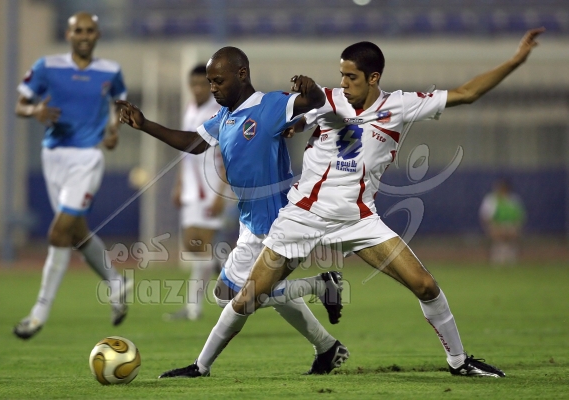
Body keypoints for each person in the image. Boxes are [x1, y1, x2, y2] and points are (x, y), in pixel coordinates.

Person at [160, 27, 545, 378]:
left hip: (359, 219)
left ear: (373, 78)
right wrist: (299, 118)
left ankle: (459, 362)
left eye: (351, 77)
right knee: (246, 297)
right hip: (303, 216)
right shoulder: (327, 100)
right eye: (341, 75)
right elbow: (293, 115)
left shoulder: (401, 106)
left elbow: (467, 93)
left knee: (425, 285)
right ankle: (200, 366)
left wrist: (515, 60)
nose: (343, 83)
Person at [117, 46, 349, 376]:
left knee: (243, 296)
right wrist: (145, 125)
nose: (213, 88)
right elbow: (195, 143)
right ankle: (326, 339)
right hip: (251, 224)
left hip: (279, 224)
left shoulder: (269, 105)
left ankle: (201, 367)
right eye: (210, 81)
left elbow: (312, 103)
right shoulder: (225, 116)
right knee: (229, 293)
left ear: (241, 74)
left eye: (218, 81)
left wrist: (309, 90)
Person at [13, 12, 132, 339]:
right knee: (77, 234)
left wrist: (113, 131)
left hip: (87, 158)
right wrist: (35, 110)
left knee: (59, 232)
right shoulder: (46, 66)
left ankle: (38, 313)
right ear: (68, 35)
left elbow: (119, 105)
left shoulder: (110, 71)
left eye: (90, 30)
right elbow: (21, 104)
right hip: (53, 156)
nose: (84, 35)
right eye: (78, 30)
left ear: (98, 34)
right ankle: (117, 283)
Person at [165, 64, 226, 321]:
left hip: (210, 186)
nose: (198, 89)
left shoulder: (219, 112)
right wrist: (179, 183)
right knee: (193, 245)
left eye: (204, 84)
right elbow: (185, 151)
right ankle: (225, 269)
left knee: (199, 245)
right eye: (195, 84)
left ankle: (194, 308)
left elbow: (227, 155)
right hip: (191, 187)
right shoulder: (190, 108)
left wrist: (221, 193)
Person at [479, 179, 526, 264]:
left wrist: (515, 228)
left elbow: (520, 217)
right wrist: (493, 228)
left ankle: (510, 258)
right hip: (496, 225)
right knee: (499, 233)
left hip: (511, 225)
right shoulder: (491, 199)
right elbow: (486, 217)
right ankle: (498, 259)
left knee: (511, 232)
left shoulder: (514, 199)